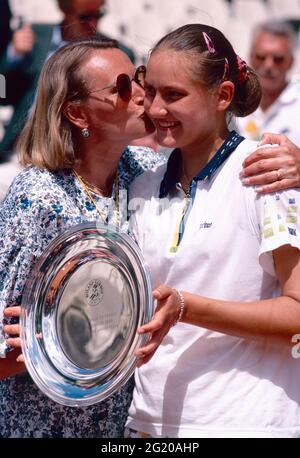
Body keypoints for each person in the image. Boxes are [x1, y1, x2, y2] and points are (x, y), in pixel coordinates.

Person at [124, 24, 300, 438]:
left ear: (222, 97)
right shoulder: (142, 184)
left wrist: (189, 307)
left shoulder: (265, 176)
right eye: (150, 92)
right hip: (149, 425)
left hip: (247, 422)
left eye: (174, 95)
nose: (154, 108)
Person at [0, 39, 163, 438]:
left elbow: (223, 167)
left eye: (138, 78)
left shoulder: (145, 170)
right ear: (76, 112)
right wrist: (54, 346)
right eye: (122, 87)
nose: (141, 95)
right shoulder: (38, 195)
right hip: (43, 425)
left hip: (119, 426)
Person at [0, 0, 135, 197]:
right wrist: (14, 55)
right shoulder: (34, 37)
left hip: (76, 161)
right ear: (64, 10)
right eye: (84, 17)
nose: (93, 24)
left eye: (98, 15)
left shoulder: (115, 53)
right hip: (21, 154)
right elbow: (4, 95)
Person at [236, 21, 300, 146]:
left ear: (291, 62)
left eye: (278, 59)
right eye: (261, 57)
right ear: (250, 57)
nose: (269, 65)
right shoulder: (233, 101)